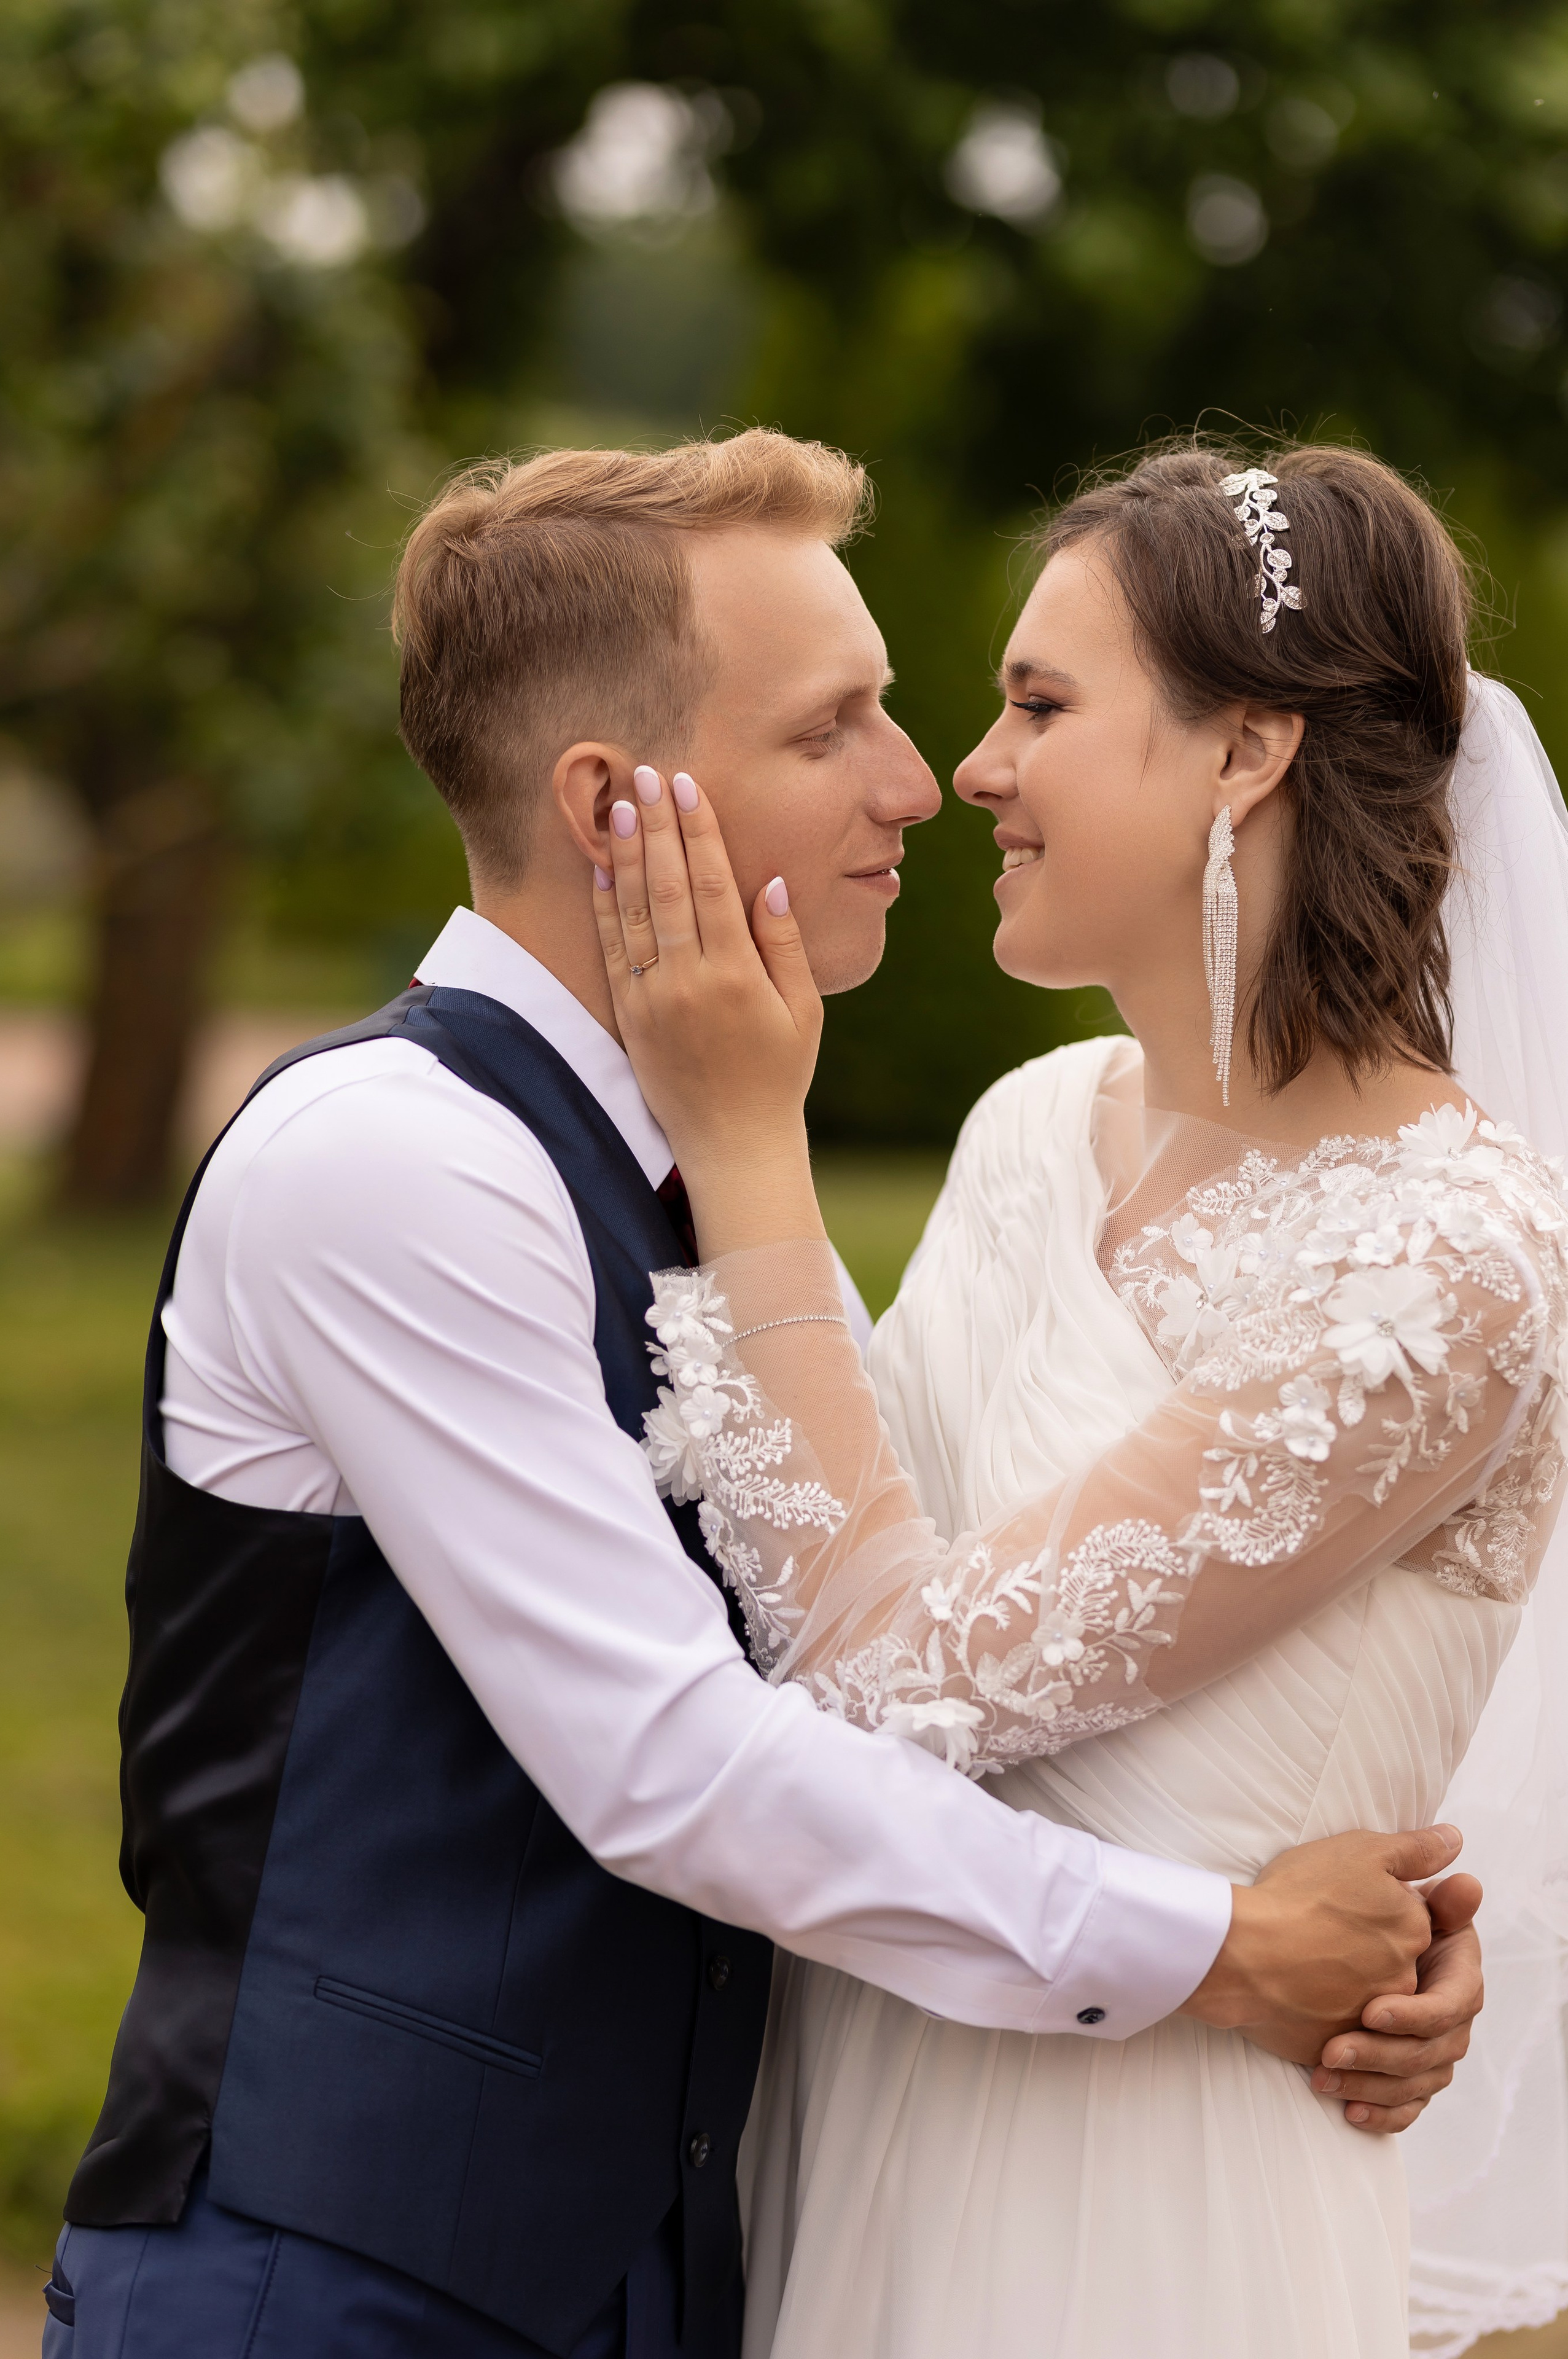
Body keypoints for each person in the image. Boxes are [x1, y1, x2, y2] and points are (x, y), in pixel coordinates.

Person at [45, 432, 1480, 2359]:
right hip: (339, 2281)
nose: (930, 780)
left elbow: (925, 1581)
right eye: (840, 727)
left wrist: (1381, 1921)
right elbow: (681, 1762)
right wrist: (1230, 1947)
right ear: (610, 804)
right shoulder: (390, 1163)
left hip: (729, 2253)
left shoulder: (719, 1163)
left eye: (974, 708)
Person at [590, 440, 1568, 2358]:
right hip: (868, 2113)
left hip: (1147, 2201)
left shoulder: (1446, 1262)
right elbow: (837, 1544)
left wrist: (743, 1139)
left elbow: (889, 1681)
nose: (972, 768)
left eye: (1041, 703)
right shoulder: (1033, 1130)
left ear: (1246, 753)